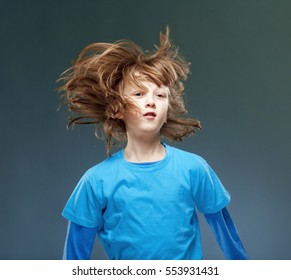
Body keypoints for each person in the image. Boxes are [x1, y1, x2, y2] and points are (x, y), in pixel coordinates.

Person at [57, 26, 248, 260]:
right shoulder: (95, 181)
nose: (151, 102)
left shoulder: (194, 169)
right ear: (117, 109)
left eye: (160, 95)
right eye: (138, 94)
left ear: (167, 109)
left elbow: (227, 233)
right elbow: (74, 258)